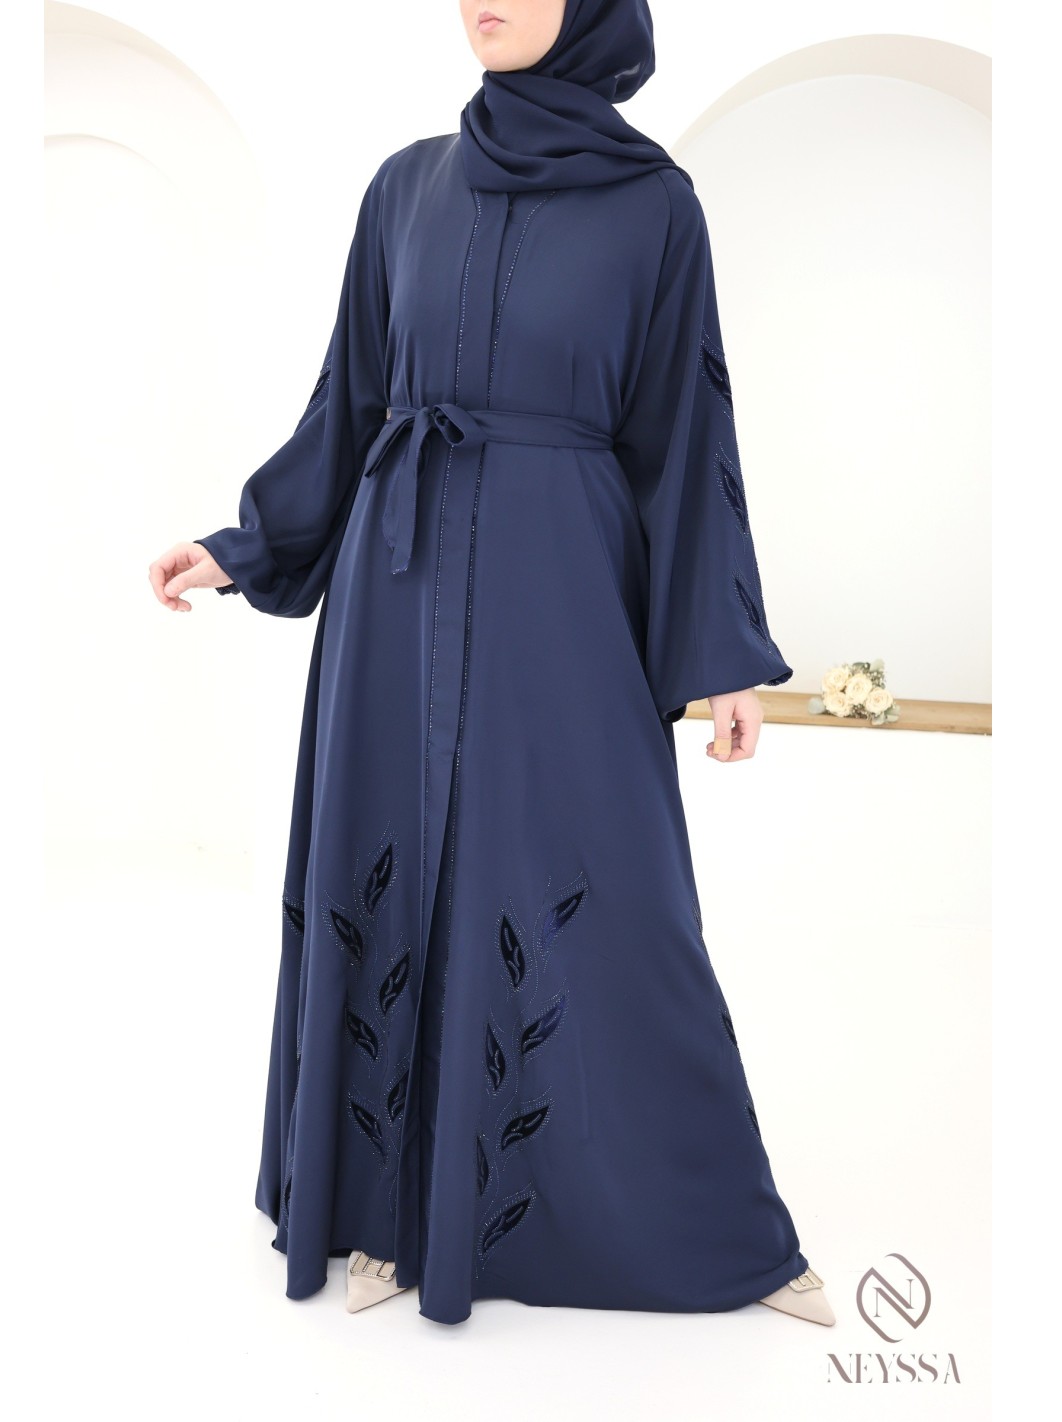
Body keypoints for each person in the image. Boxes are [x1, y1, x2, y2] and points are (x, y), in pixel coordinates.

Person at [149, 0, 834, 1328]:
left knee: (614, 890)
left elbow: (685, 438)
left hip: (560, 591)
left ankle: (707, 1224)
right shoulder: (405, 188)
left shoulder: (656, 208)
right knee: (393, 865)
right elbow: (351, 401)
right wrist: (248, 545)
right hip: (392, 594)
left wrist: (721, 655)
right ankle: (385, 1213)